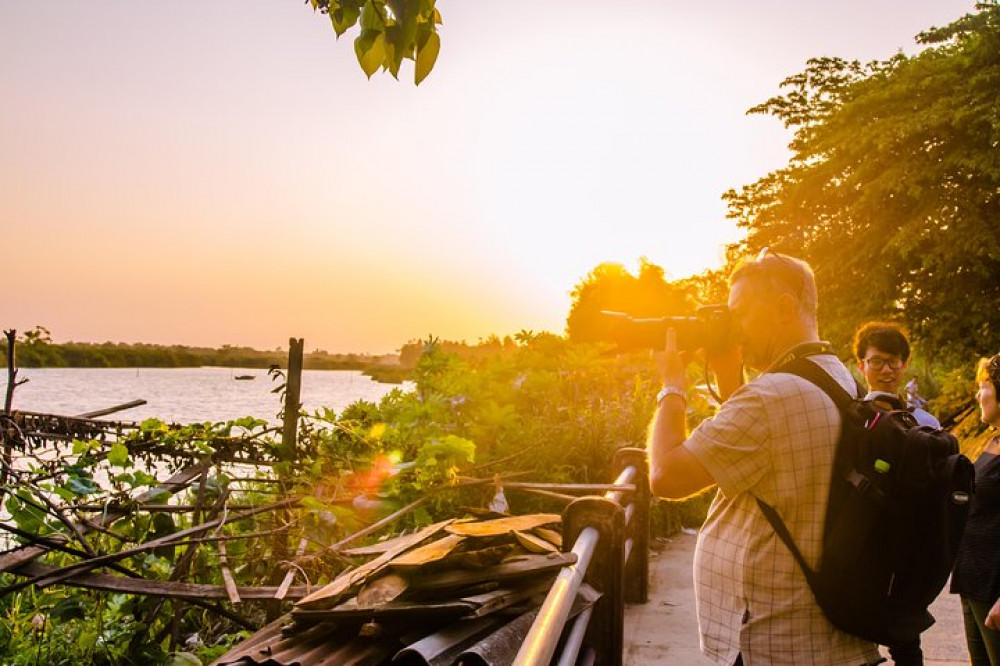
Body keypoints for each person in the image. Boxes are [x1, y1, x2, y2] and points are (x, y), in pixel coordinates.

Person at [647, 249, 881, 666]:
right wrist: (727, 374)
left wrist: (672, 386)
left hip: (777, 642)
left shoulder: (769, 397)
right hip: (824, 636)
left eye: (740, 315)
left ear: (783, 308)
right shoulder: (838, 379)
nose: (734, 329)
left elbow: (665, 476)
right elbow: (760, 454)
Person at [951, 354, 1000, 665]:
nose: (978, 395)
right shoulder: (994, 440)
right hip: (974, 581)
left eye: (983, 386)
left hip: (995, 587)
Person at [853, 321, 940, 427]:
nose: (886, 370)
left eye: (893, 361)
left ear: (904, 364)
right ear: (861, 366)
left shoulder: (926, 423)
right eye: (876, 362)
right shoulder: (855, 423)